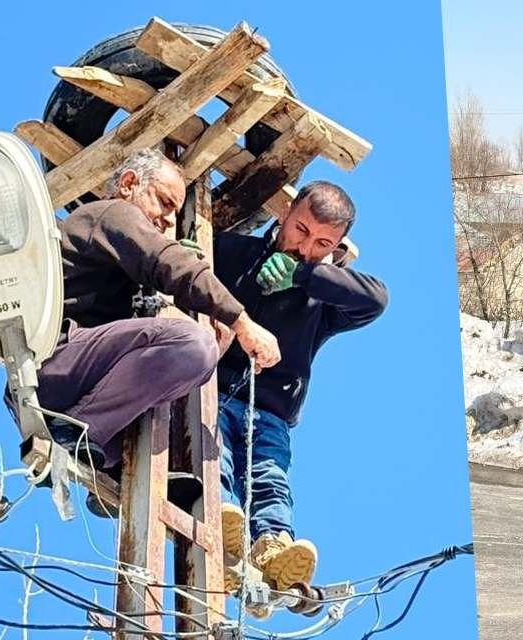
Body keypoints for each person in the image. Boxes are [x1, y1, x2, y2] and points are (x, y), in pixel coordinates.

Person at [24, 148, 281, 491]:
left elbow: (151, 366)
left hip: (73, 380)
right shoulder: (111, 213)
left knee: (186, 360)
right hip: (58, 364)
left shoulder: (120, 271)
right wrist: (241, 322)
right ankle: (78, 431)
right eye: (163, 202)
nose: (169, 221)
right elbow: (168, 263)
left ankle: (130, 469)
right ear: (129, 183)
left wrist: (215, 350)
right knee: (192, 343)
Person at [213, 181, 389, 591]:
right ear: (285, 214)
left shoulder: (322, 294)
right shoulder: (232, 252)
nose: (305, 246)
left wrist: (306, 276)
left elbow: (376, 300)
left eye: (323, 242)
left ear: (337, 247)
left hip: (271, 411)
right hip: (212, 393)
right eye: (301, 230)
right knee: (212, 454)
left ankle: (272, 548)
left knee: (269, 475)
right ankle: (221, 525)